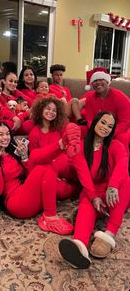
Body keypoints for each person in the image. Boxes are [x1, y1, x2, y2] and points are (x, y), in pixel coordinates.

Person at [59, 112, 130, 269]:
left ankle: (109, 234)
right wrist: (93, 197)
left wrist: (113, 186)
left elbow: (123, 164)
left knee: (127, 181)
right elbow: (84, 174)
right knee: (85, 205)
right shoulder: (81, 147)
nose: (105, 128)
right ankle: (79, 247)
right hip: (92, 191)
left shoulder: (115, 146)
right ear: (95, 122)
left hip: (114, 192)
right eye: (103, 123)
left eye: (110, 126)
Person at [0, 121, 74, 235]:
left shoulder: (12, 152)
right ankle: (50, 218)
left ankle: (81, 189)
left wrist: (24, 157)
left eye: (7, 134)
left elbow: (29, 175)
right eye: (0, 134)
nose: (5, 137)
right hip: (17, 203)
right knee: (44, 166)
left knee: (57, 181)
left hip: (28, 194)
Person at [77, 68, 130, 147]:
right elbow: (90, 119)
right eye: (95, 80)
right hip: (98, 128)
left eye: (101, 79)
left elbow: (125, 122)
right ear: (92, 84)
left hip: (120, 128)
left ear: (107, 81)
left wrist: (108, 133)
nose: (98, 82)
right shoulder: (90, 98)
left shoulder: (120, 97)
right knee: (79, 131)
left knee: (121, 139)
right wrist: (98, 132)